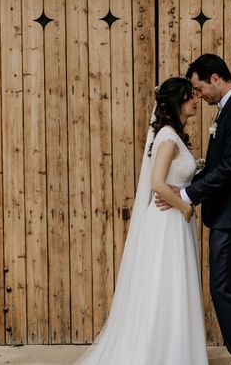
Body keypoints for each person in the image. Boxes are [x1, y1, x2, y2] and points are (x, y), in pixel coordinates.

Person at [75, 76, 209, 365]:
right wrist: (185, 208)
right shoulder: (168, 138)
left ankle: (175, 351)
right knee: (164, 288)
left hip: (171, 221)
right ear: (176, 102)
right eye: (189, 97)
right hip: (167, 221)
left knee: (172, 289)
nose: (195, 100)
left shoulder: (173, 136)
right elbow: (158, 184)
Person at [157, 53, 231, 365]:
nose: (198, 95)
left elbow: (230, 168)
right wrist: (189, 186)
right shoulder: (229, 111)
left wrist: (186, 194)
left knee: (225, 290)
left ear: (216, 80)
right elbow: (219, 166)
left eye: (199, 88)